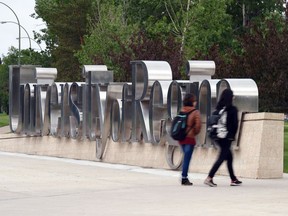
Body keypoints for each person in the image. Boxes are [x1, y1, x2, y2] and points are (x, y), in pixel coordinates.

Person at [204, 89, 242, 187]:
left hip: (217, 136)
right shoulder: (232, 109)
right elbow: (235, 125)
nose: (234, 97)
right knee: (222, 157)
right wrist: (232, 136)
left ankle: (233, 179)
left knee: (229, 157)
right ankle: (209, 178)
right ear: (230, 97)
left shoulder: (219, 108)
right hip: (226, 137)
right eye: (232, 95)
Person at [179, 93, 201, 185]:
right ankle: (184, 177)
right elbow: (198, 126)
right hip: (190, 138)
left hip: (181, 138)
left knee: (185, 157)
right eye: (194, 101)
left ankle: (184, 176)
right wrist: (194, 133)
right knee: (187, 158)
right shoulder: (195, 112)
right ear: (192, 102)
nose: (195, 102)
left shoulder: (181, 110)